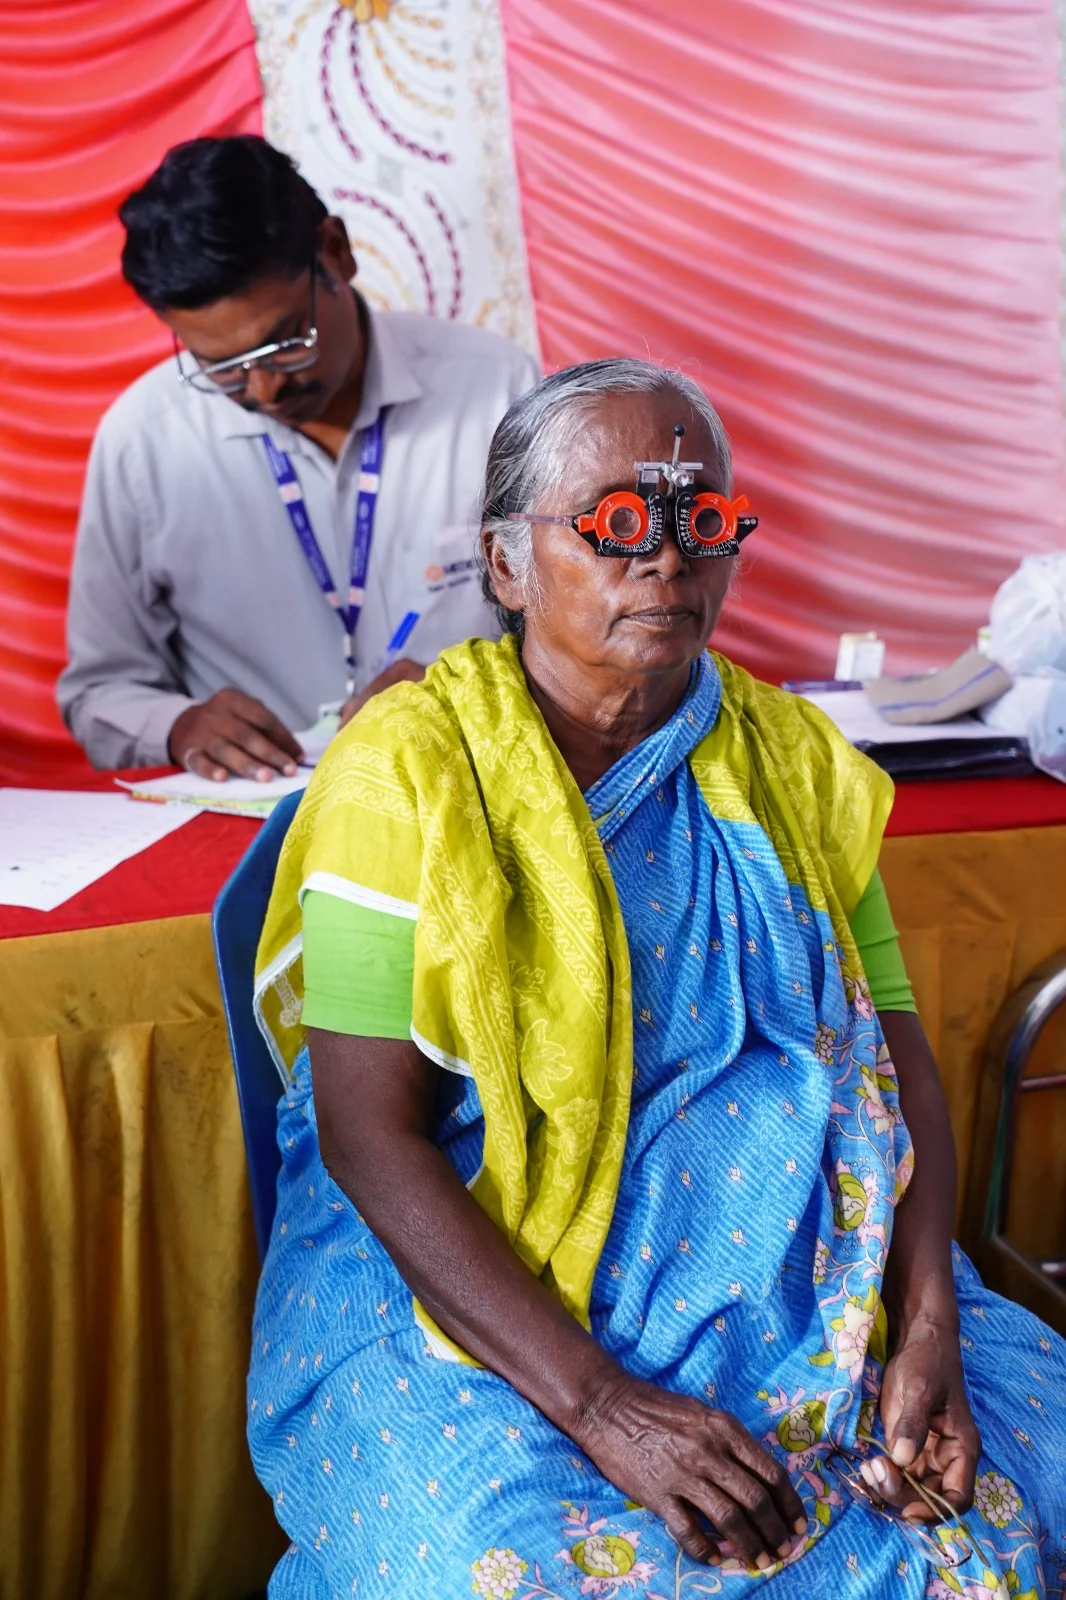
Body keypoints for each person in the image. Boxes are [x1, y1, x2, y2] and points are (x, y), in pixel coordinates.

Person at [248, 360, 1066, 1599]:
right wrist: (601, 1404)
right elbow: (370, 1139)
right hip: (485, 1302)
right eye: (619, 521)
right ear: (506, 563)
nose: (668, 558)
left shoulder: (789, 760)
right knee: (508, 1572)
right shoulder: (407, 772)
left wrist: (930, 1322)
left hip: (811, 1270)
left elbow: (887, 1053)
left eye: (702, 520)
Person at [57, 135, 538, 778]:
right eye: (219, 365)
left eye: (286, 342)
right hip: (258, 816)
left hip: (470, 791)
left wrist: (472, 694)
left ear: (336, 252)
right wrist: (176, 726)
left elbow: (584, 636)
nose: (262, 390)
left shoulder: (498, 391)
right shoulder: (142, 440)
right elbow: (98, 692)